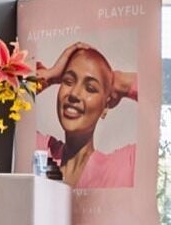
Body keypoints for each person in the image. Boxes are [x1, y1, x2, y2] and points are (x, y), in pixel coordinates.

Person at [39, 42, 141, 191]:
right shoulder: (41, 151)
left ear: (106, 106)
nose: (74, 94)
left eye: (90, 88)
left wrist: (120, 82)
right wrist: (49, 75)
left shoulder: (122, 168)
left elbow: (160, 96)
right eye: (68, 81)